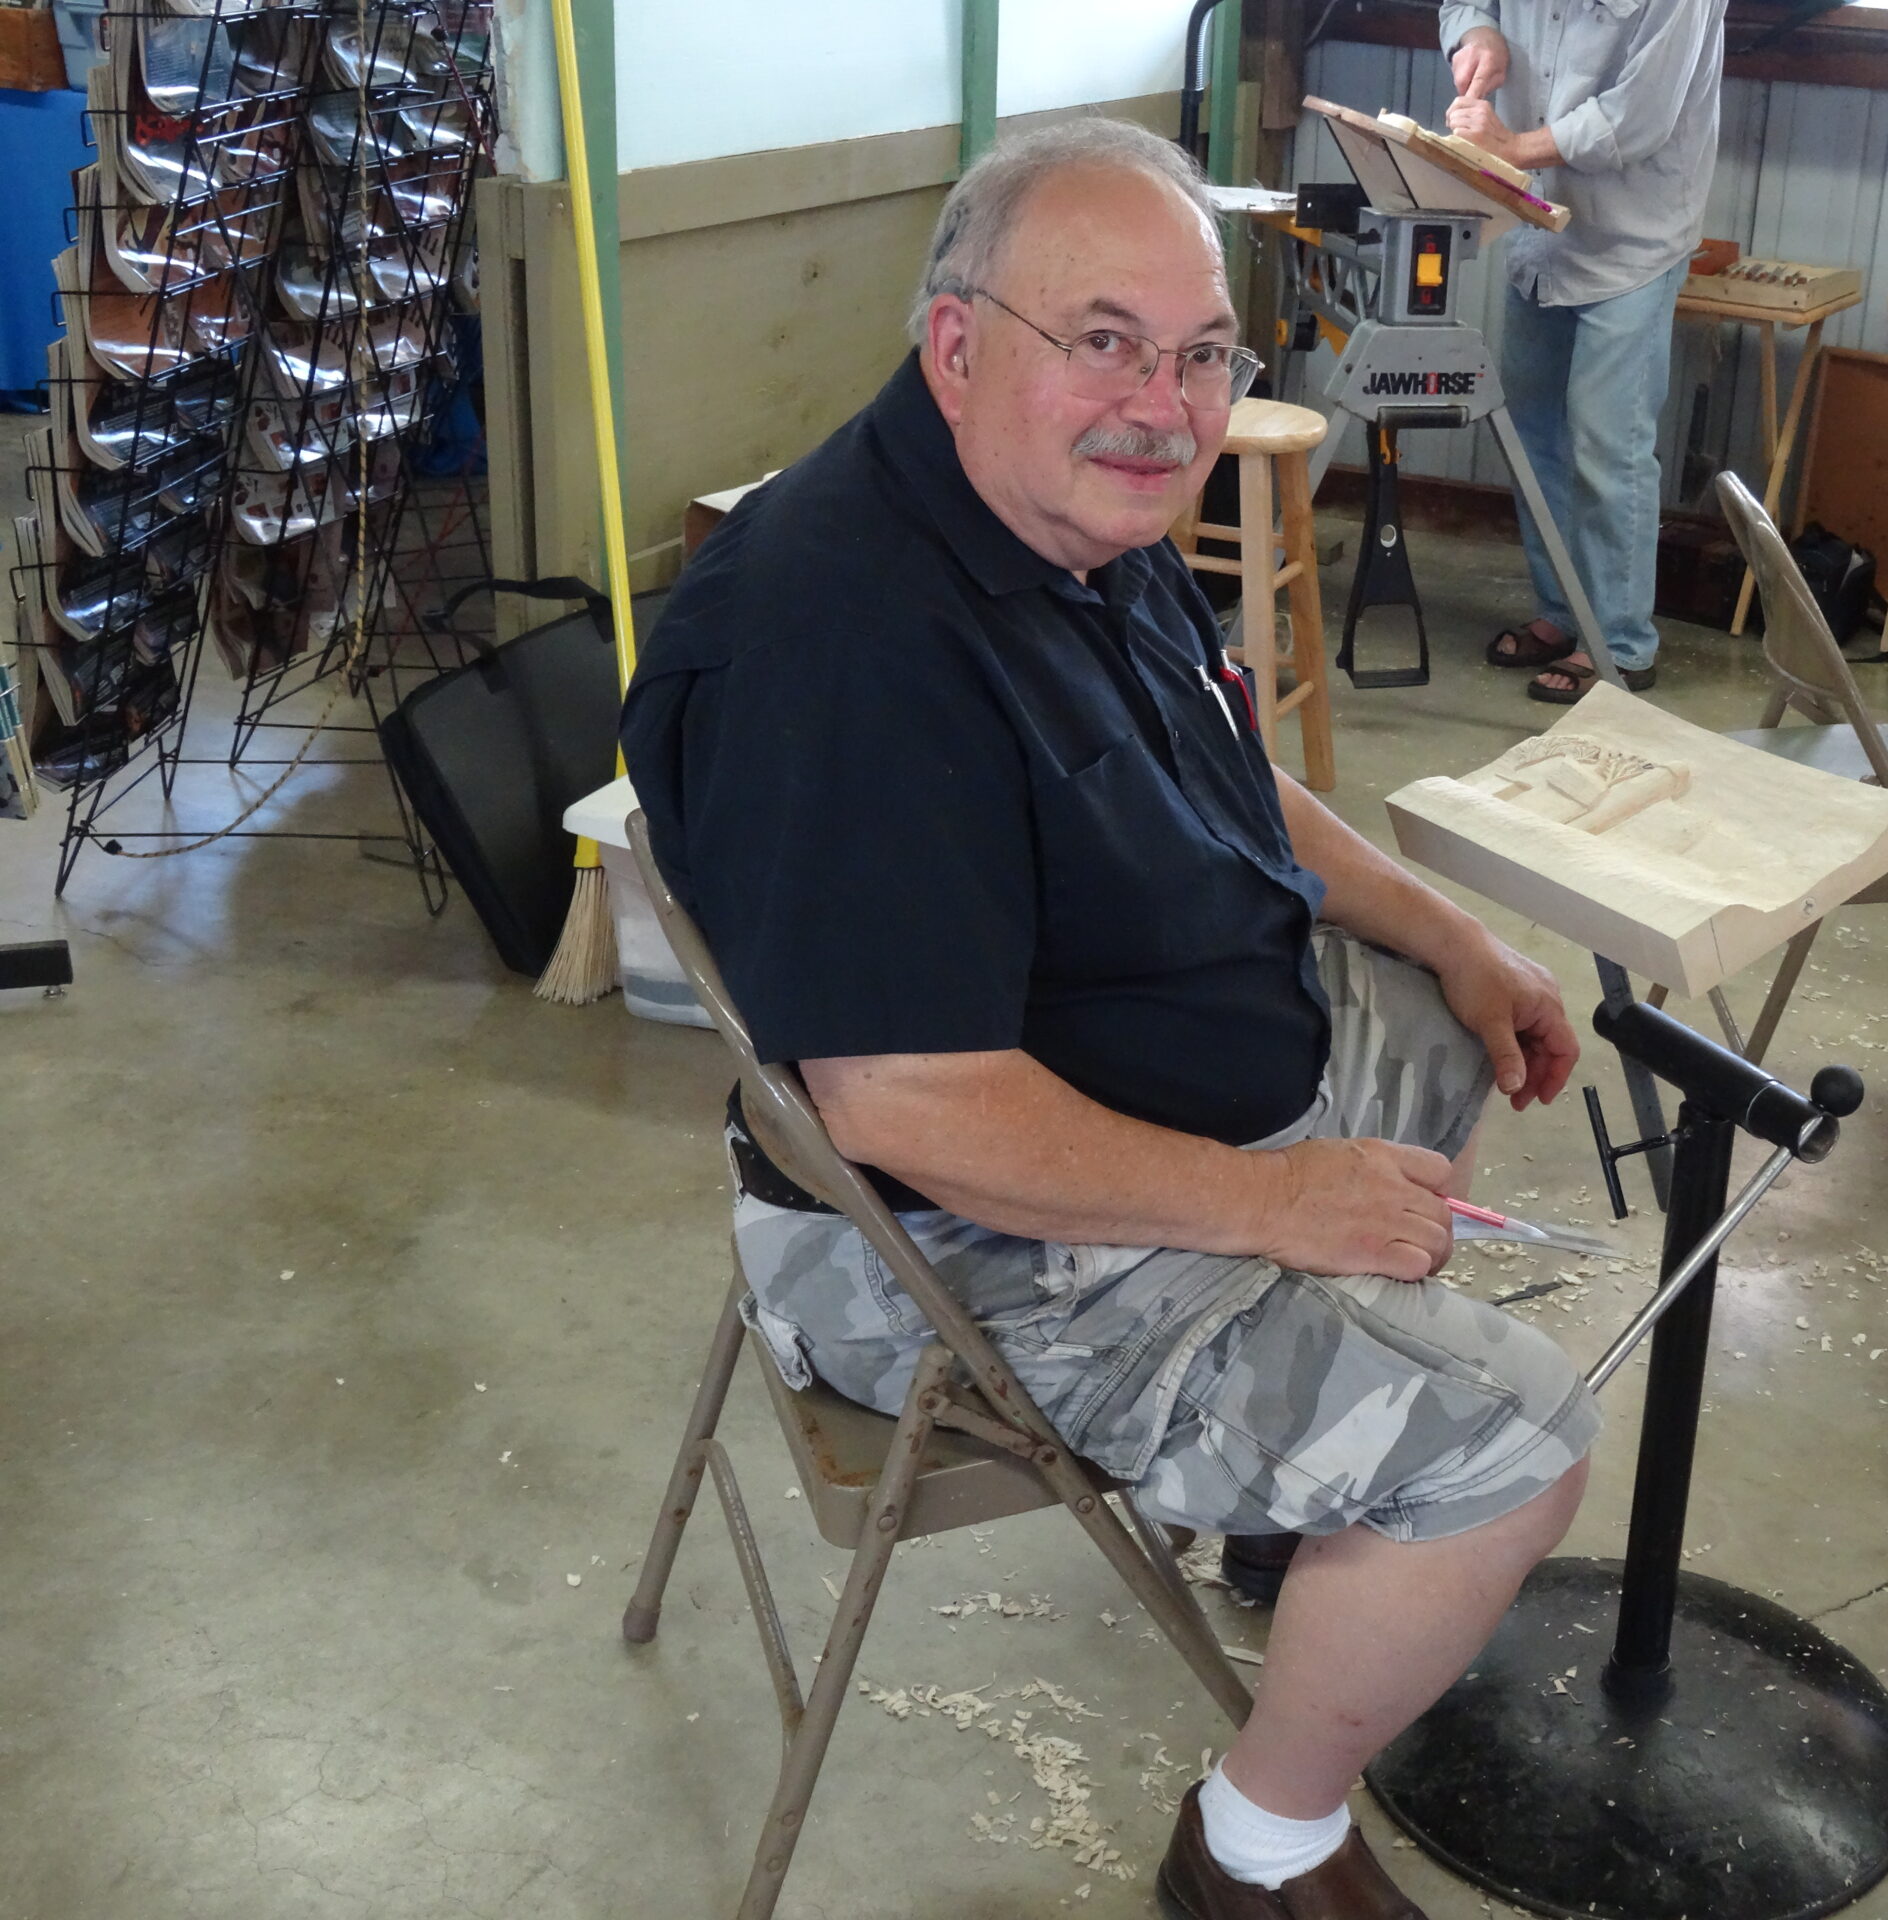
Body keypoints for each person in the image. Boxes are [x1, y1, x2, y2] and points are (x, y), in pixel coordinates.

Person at [623, 120, 1599, 1920]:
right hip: (943, 1248)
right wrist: (1278, 1204)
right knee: (1517, 1444)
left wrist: (1450, 930)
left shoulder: (1070, 505)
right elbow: (910, 1106)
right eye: (1103, 340)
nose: (1164, 403)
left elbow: (1219, 773)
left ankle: (1292, 1492)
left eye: (1201, 352)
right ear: (956, 345)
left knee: (1434, 1029)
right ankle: (1259, 1843)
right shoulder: (843, 645)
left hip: (1112, 1092)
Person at [1437, 0, 1723, 704]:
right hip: (1539, 225)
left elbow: (1640, 116)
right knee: (1533, 434)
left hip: (1633, 237)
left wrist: (1510, 149)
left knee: (1607, 443)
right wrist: (1475, 33)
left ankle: (1620, 645)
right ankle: (1563, 614)